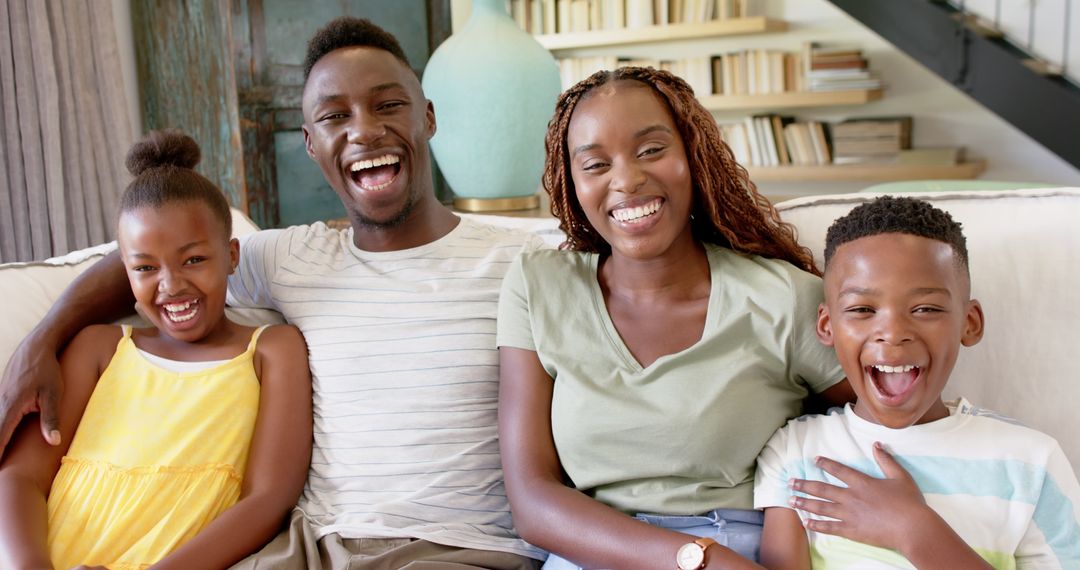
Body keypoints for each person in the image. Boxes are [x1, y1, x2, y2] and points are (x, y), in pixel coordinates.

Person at [0, 17, 543, 569]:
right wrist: (40, 344)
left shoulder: (522, 262)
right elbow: (152, 261)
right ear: (310, 143)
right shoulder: (290, 257)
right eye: (334, 116)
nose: (363, 131)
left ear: (427, 116)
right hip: (307, 548)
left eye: (388, 105)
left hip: (456, 549)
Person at [496, 66, 854, 570]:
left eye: (650, 150)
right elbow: (532, 502)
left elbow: (892, 420)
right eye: (595, 164)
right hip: (598, 553)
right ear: (571, 182)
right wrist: (697, 560)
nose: (626, 180)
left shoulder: (782, 297)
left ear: (693, 156)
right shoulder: (539, 285)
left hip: (738, 544)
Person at [0, 129, 312, 569]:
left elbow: (269, 498)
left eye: (193, 260)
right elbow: (19, 476)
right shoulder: (98, 349)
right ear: (125, 273)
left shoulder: (272, 350)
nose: (171, 285)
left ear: (232, 255)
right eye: (145, 268)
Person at [754, 196, 1080, 568]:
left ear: (969, 323)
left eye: (925, 309)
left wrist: (914, 529)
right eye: (862, 309)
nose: (893, 333)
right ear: (827, 326)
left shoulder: (1032, 462)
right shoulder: (795, 451)